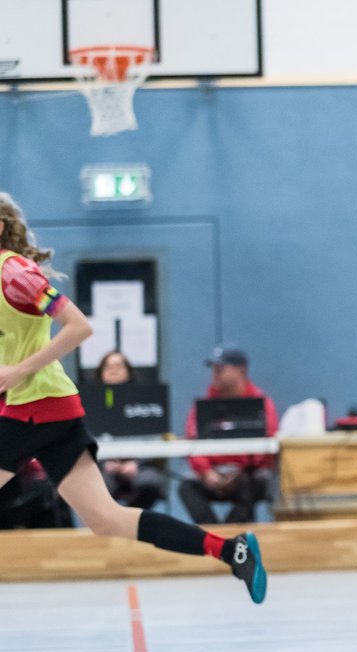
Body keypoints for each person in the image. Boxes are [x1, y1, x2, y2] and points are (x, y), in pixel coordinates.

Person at [0, 192, 267, 602]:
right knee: (106, 519)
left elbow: (78, 326)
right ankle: (232, 551)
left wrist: (17, 372)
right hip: (46, 411)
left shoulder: (15, 274)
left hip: (32, 408)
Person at [178, 345, 278, 525]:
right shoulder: (204, 405)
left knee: (257, 482)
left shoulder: (261, 402)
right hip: (214, 472)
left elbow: (267, 443)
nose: (215, 374)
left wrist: (242, 471)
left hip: (246, 474)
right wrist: (206, 472)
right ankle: (212, 535)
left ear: (240, 370)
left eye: (221, 368)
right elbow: (192, 441)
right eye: (213, 369)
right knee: (187, 487)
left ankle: (230, 535)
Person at [94, 350, 167, 511]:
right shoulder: (92, 403)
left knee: (151, 483)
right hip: (106, 465)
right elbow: (86, 438)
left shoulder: (144, 400)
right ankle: (109, 529)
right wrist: (105, 461)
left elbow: (155, 437)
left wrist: (136, 463)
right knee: (95, 486)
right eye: (107, 367)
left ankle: (131, 524)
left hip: (140, 465)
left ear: (128, 371)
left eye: (118, 366)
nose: (113, 370)